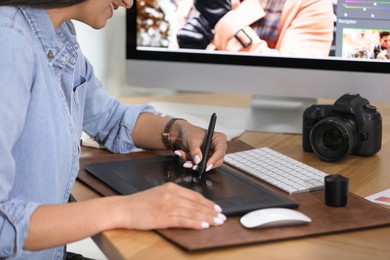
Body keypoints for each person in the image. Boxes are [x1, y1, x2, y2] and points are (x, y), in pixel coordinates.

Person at [0, 0, 228, 259]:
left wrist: (179, 132)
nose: (129, 2)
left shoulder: (58, 35)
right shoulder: (9, 42)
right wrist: (127, 210)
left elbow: (109, 117)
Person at [174, 0, 334, 57]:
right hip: (196, 109)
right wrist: (190, 58)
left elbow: (298, 76)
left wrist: (224, 21)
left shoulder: (312, 4)